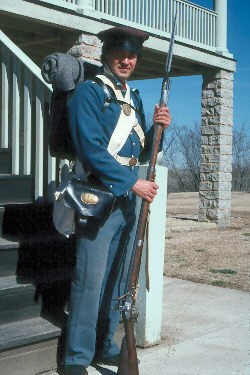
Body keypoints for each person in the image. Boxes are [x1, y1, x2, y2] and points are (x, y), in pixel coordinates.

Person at [63, 26, 171, 375]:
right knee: (89, 281)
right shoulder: (90, 94)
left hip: (126, 199)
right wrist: (132, 183)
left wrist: (157, 130)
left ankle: (106, 345)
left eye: (132, 55)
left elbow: (138, 150)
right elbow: (92, 149)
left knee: (120, 280)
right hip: (97, 197)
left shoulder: (132, 97)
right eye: (120, 54)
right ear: (107, 55)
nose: (126, 60)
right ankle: (77, 358)